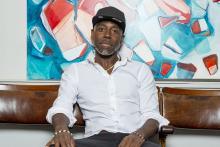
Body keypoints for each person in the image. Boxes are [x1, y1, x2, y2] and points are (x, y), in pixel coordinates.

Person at [46, 6, 169, 147]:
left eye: (115, 30)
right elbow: (61, 108)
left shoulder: (140, 70)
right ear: (92, 34)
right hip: (95, 140)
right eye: (101, 29)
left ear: (121, 39)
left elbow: (152, 115)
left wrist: (139, 135)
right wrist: (61, 130)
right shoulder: (75, 71)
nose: (107, 35)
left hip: (134, 138)